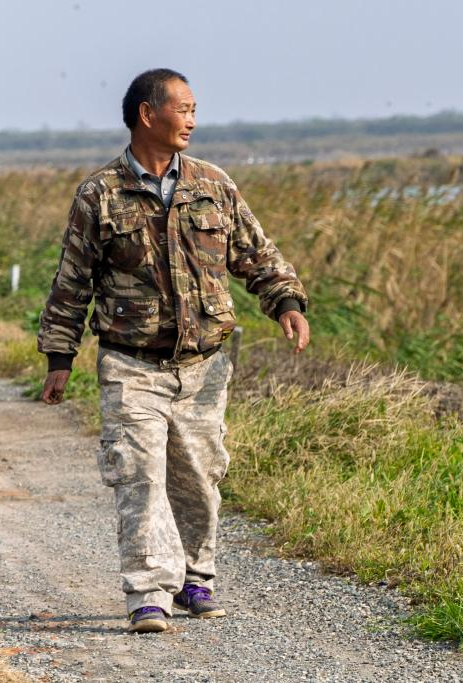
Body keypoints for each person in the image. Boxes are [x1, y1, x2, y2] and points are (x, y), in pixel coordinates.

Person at [36, 68, 310, 633]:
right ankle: (147, 595)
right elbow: (72, 281)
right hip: (130, 364)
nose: (192, 118)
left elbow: (256, 255)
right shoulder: (99, 194)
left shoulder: (213, 184)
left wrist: (286, 301)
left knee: (199, 477)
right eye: (183, 108)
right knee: (138, 475)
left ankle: (194, 579)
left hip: (205, 368)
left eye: (193, 108)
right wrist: (59, 358)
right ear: (147, 114)